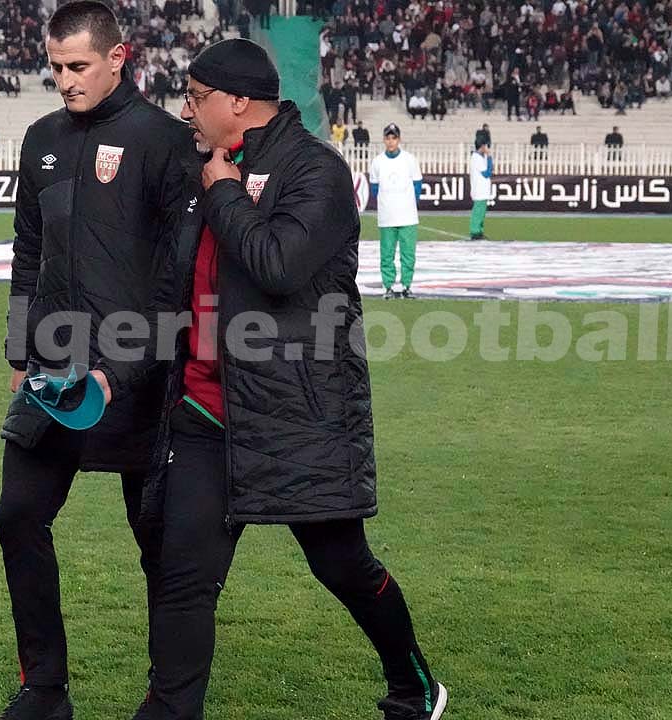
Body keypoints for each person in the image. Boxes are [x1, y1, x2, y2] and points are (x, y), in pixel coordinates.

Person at [139, 37, 447, 720]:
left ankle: (414, 684)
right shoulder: (199, 168)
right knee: (184, 578)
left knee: (343, 566)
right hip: (205, 409)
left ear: (237, 101)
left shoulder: (316, 171)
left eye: (195, 97)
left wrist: (223, 193)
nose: (186, 110)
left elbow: (277, 265)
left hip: (297, 415)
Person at [0, 1, 195, 717]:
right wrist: (20, 346)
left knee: (159, 546)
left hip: (140, 379)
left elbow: (177, 280)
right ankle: (44, 689)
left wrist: (127, 368)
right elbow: (27, 250)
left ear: (118, 57)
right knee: (17, 515)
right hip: (55, 370)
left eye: (77, 66)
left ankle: (167, 698)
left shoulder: (165, 141)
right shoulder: (42, 138)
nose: (65, 80)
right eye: (55, 67)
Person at [370, 123, 422, 299]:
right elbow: (374, 188)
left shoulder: (410, 160)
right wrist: (387, 203)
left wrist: (408, 204)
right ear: (384, 140)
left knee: (408, 255)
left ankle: (407, 285)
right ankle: (388, 286)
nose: (391, 141)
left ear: (399, 139)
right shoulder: (377, 162)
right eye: (388, 138)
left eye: (394, 138)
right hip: (387, 217)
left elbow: (417, 185)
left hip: (408, 216)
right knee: (387, 254)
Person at [469, 140, 493, 240]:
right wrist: (490, 157)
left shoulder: (479, 157)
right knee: (478, 212)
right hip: (479, 189)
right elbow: (487, 173)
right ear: (482, 146)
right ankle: (475, 232)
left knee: (481, 212)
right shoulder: (477, 158)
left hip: (482, 190)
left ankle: (478, 231)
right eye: (486, 146)